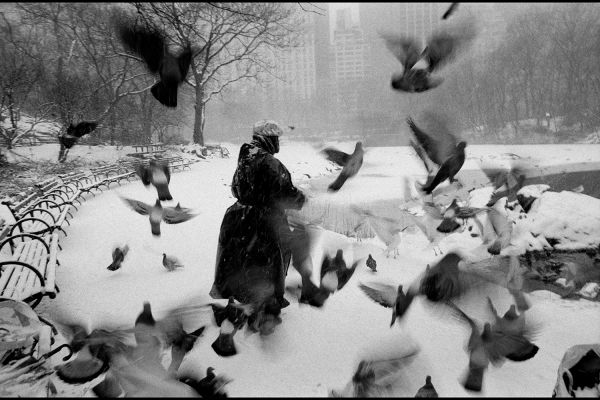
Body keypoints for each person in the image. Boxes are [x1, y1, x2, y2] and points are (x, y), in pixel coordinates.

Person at [209, 120, 306, 316]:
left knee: (242, 260)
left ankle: (245, 297)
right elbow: (285, 193)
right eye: (276, 138)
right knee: (267, 263)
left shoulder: (246, 156)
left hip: (239, 218)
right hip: (264, 222)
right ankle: (265, 305)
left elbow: (235, 187)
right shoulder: (270, 163)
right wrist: (300, 198)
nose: (278, 142)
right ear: (268, 138)